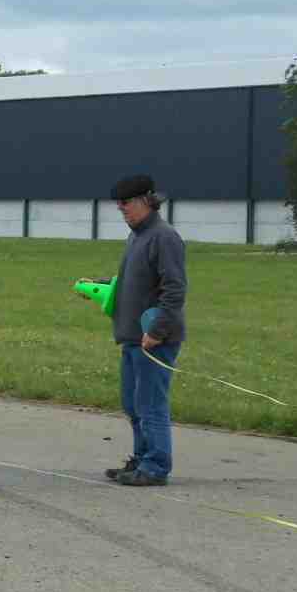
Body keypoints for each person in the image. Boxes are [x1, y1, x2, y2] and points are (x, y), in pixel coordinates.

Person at [102, 173, 187, 487]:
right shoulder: (136, 236)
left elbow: (174, 289)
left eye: (125, 202)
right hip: (132, 337)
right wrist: (101, 287)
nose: (121, 208)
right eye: (118, 204)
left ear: (145, 200)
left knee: (151, 405)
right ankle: (141, 459)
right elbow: (134, 282)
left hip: (154, 339)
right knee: (133, 404)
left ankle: (156, 466)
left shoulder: (164, 237)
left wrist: (157, 331)